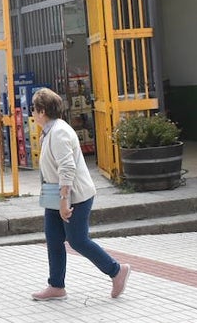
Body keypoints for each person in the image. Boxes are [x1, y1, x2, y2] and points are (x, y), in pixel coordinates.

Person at [30, 86, 130, 301]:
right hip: (56, 196)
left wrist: (65, 201)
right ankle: (56, 286)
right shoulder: (50, 131)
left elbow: (67, 168)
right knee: (54, 239)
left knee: (77, 240)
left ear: (41, 111)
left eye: (33, 109)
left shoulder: (59, 133)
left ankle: (116, 271)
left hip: (75, 196)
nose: (32, 113)